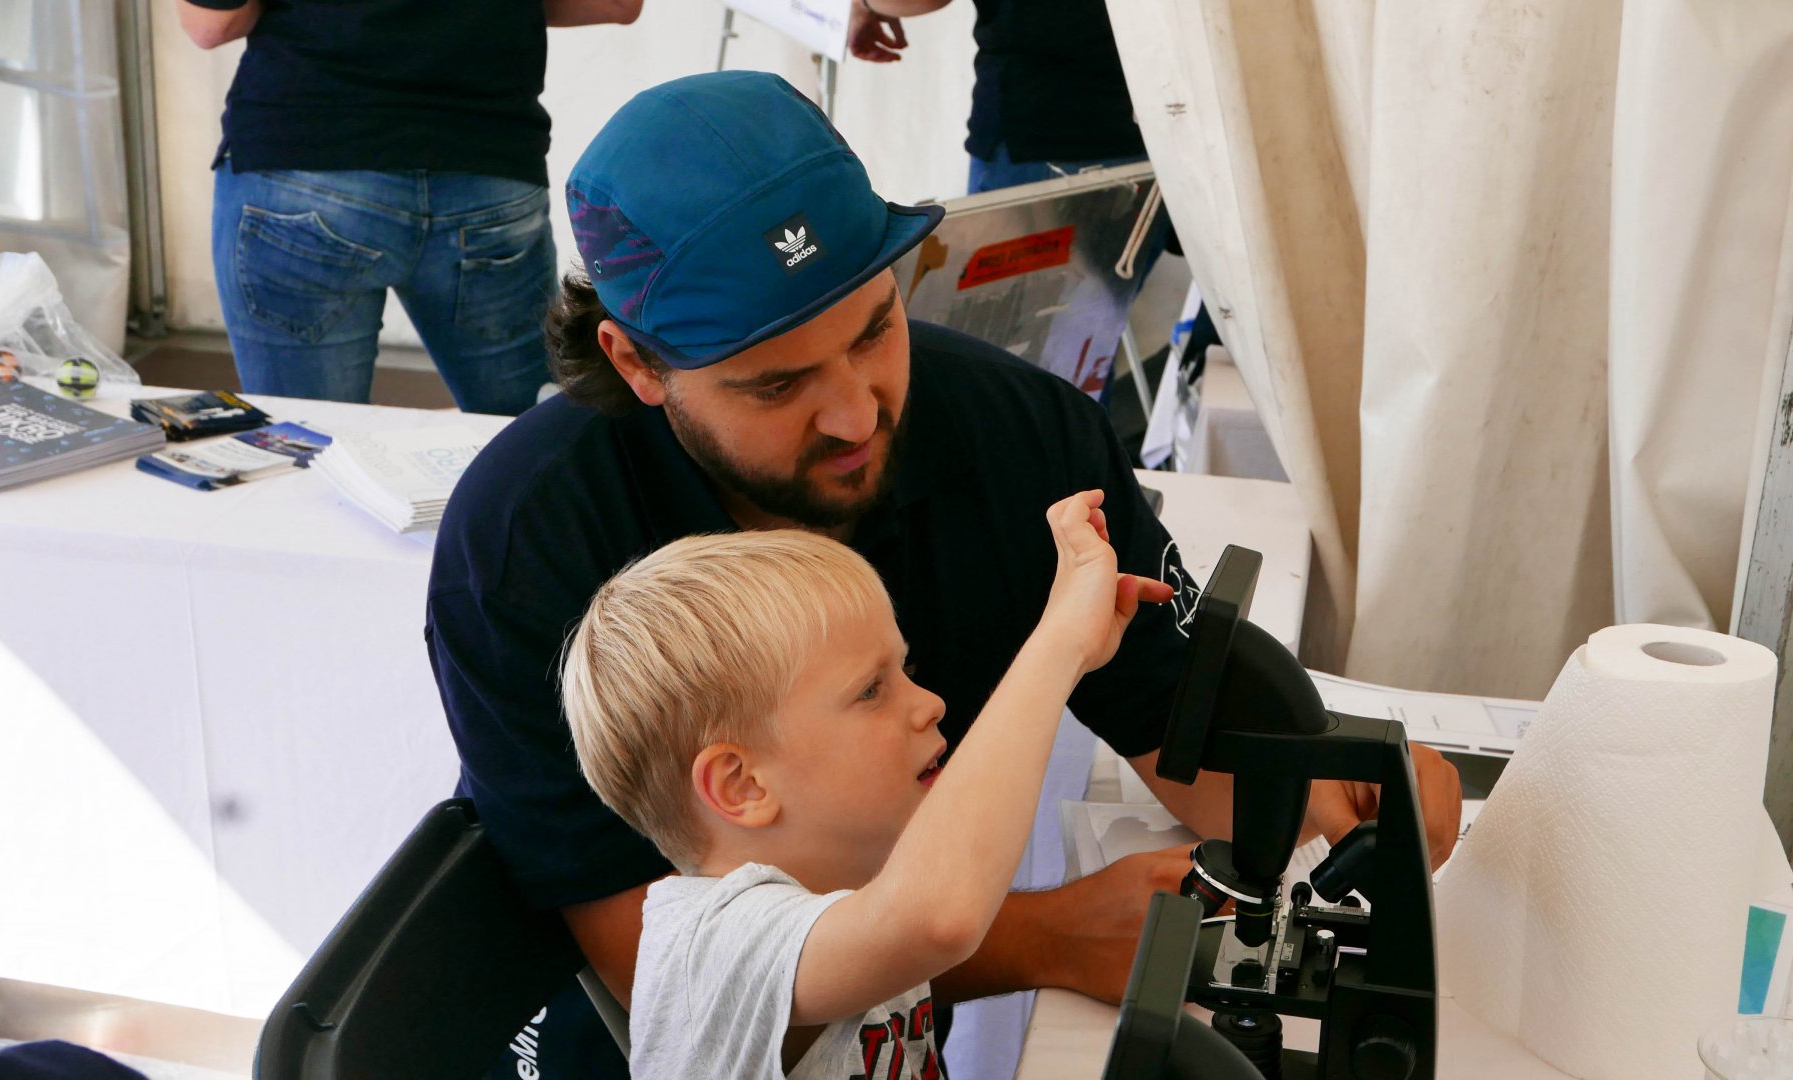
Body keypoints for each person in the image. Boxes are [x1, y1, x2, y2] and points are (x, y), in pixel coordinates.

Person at [426, 69, 1461, 1072]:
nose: (855, 414)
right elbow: (642, 960)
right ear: (635, 362)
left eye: (875, 329)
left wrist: (1329, 795)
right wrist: (1041, 937)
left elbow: (1178, 725)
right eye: (777, 383)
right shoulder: (524, 548)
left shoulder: (1017, 434)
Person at [562, 494, 1173, 1076]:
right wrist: (1059, 643)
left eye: (904, 671)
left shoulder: (856, 873)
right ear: (742, 784)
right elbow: (940, 918)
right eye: (871, 691)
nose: (931, 704)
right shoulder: (714, 948)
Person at [175, 0, 642, 414]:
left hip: (306, 161)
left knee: (311, 445)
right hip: (486, 167)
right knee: (526, 437)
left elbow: (211, 23)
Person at [846, 0, 1147, 194]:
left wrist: (863, 5)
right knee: (1105, 291)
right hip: (1156, 120)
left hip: (1043, 131)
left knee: (1024, 294)